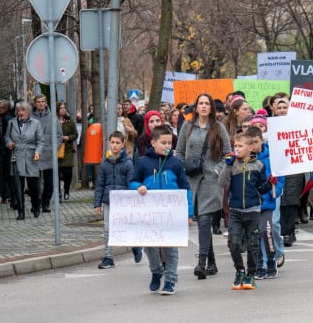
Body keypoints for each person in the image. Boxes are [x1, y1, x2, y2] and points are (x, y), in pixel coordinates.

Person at [130, 126, 194, 295]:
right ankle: (156, 270)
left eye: (170, 143)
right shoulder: (143, 162)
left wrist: (189, 213)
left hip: (171, 214)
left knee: (170, 248)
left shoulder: (175, 163)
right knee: (149, 246)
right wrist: (139, 187)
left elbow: (185, 188)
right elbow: (132, 182)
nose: (167, 146)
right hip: (150, 213)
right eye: (163, 143)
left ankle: (170, 280)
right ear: (153, 143)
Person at [176, 93, 231, 280]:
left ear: (212, 108)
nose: (204, 106)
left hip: (210, 179)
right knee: (202, 221)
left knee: (206, 219)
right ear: (196, 107)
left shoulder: (219, 128)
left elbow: (228, 154)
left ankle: (201, 262)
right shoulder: (187, 126)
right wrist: (181, 170)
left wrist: (217, 170)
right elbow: (179, 151)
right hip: (191, 179)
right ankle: (213, 263)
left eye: (207, 104)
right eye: (201, 103)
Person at [218, 133, 275, 290]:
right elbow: (221, 182)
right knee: (234, 243)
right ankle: (239, 270)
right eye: (235, 146)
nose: (237, 149)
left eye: (240, 146)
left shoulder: (259, 166)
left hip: (253, 210)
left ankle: (251, 273)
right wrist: (227, 165)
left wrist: (270, 183)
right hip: (235, 210)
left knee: (252, 244)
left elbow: (261, 188)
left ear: (250, 148)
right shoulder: (233, 165)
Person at [244, 122, 285, 279]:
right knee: (254, 234)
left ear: (262, 140)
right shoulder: (246, 160)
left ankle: (271, 260)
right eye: (250, 143)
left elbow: (280, 177)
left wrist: (277, 189)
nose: (253, 145)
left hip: (267, 201)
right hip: (252, 204)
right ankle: (259, 264)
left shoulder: (271, 158)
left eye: (256, 141)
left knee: (266, 230)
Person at [93, 131, 135, 270]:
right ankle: (108, 257)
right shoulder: (105, 164)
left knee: (126, 228)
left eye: (118, 143)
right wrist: (97, 203)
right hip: (108, 200)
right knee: (107, 228)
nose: (115, 145)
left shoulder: (128, 163)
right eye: (112, 142)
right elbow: (100, 184)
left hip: (123, 202)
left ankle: (136, 246)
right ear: (109, 144)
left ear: (122, 145)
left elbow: (131, 183)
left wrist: (130, 201)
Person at [5, 101, 45, 219]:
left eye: (23, 110)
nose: (20, 112)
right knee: (18, 186)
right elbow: (7, 136)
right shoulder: (11, 123)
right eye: (18, 110)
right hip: (17, 157)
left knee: (33, 186)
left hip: (31, 157)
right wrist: (9, 143)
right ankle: (21, 211)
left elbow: (40, 141)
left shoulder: (36, 123)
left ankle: (36, 206)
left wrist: (38, 152)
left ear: (28, 112)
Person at [32, 95, 63, 213]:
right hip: (35, 153)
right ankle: (36, 202)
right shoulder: (30, 117)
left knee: (49, 181)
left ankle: (46, 203)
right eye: (38, 102)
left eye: (43, 102)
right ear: (35, 103)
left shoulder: (52, 118)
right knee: (35, 181)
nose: (41, 104)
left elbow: (59, 135)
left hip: (49, 154)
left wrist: (53, 147)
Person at [57, 102, 78, 201]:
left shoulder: (70, 122)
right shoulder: (53, 121)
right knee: (56, 172)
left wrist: (68, 137)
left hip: (67, 150)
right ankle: (58, 193)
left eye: (64, 108)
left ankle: (66, 190)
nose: (63, 109)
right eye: (61, 108)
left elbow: (75, 134)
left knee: (67, 172)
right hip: (56, 149)